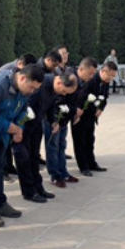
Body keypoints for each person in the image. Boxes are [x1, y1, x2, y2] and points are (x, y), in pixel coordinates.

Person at [0, 64, 45, 227]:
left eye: (35, 89)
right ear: (22, 78)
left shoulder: (23, 90)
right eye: (31, 87)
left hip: (2, 137)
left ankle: (0, 203)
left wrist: (19, 128)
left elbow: (22, 110)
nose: (32, 92)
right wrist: (9, 127)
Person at [15, 72, 77, 202]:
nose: (64, 95)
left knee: (34, 158)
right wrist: (19, 128)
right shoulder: (40, 85)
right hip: (24, 126)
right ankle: (29, 192)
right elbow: (25, 105)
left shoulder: (55, 89)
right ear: (59, 82)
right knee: (24, 159)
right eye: (64, 91)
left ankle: (38, 188)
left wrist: (54, 121)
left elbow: (50, 107)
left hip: (36, 125)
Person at [47, 57, 98, 187]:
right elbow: (58, 99)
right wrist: (55, 120)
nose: (92, 76)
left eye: (94, 74)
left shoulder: (81, 81)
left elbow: (74, 100)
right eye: (90, 73)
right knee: (53, 146)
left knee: (62, 146)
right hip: (55, 118)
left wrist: (74, 112)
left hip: (65, 118)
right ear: (81, 69)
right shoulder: (68, 78)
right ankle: (55, 175)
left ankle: (63, 173)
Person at [72, 61, 117, 176]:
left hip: (91, 116)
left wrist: (101, 108)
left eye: (113, 76)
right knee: (80, 141)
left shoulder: (105, 83)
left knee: (90, 140)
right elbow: (80, 96)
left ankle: (92, 163)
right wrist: (78, 111)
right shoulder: (90, 80)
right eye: (110, 75)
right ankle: (83, 166)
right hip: (81, 115)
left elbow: (104, 97)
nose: (111, 79)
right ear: (103, 71)